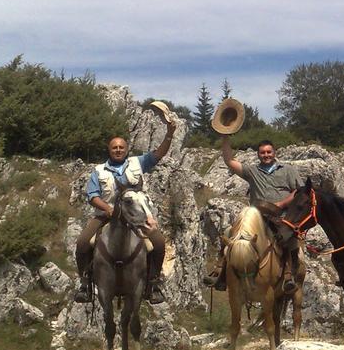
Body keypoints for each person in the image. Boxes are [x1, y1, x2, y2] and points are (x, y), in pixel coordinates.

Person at [73, 121, 177, 305]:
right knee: (82, 244)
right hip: (106, 216)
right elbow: (92, 196)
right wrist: (107, 209)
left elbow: (159, 153)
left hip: (136, 215)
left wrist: (169, 133)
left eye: (121, 147)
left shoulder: (138, 163)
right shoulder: (98, 171)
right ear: (109, 150)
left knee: (159, 244)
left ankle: (153, 285)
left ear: (127, 149)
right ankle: (85, 285)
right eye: (115, 148)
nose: (118, 150)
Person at [202, 138, 303, 292]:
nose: (266, 155)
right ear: (258, 155)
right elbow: (229, 160)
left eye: (269, 152)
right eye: (262, 152)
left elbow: (299, 191)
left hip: (281, 217)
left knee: (289, 239)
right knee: (229, 233)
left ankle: (290, 275)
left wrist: (281, 204)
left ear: (274, 152)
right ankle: (220, 272)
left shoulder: (288, 170)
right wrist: (225, 137)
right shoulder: (253, 171)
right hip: (257, 217)